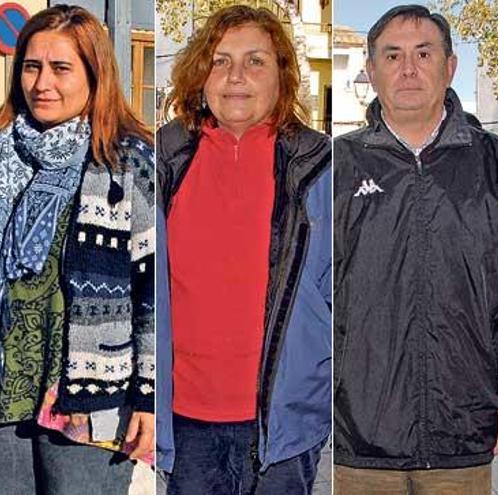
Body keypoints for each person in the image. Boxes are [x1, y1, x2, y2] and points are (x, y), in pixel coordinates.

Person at [333, 5, 498, 494]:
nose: (408, 69)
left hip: (463, 437)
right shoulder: (338, 167)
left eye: (423, 53)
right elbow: (317, 300)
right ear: (371, 71)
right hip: (361, 441)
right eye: (392, 55)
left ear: (450, 66)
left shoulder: (496, 164)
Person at [156, 5, 331, 494]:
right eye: (219, 61)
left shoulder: (323, 168)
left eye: (255, 61)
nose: (235, 76)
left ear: (282, 76)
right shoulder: (159, 160)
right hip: (185, 425)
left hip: (283, 429)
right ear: (199, 76)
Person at [0, 5, 154, 494]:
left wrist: (149, 395)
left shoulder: (127, 161)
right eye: (32, 67)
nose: (42, 84)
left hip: (91, 401)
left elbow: (154, 289)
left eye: (61, 69)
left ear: (94, 74)